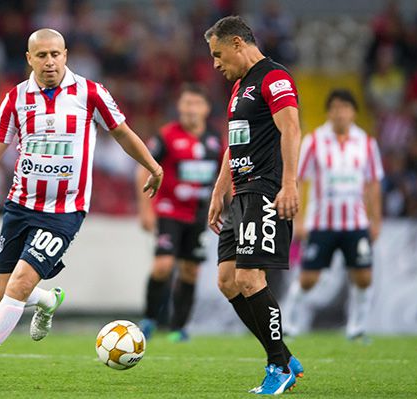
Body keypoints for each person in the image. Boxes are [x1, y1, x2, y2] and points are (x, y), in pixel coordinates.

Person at [0, 29, 163, 383]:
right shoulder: (16, 98)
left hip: (64, 211)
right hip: (20, 205)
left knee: (16, 287)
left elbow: (122, 132)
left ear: (66, 55)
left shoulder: (90, 93)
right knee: (2, 292)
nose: (50, 62)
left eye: (56, 54)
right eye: (42, 55)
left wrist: (152, 166)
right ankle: (47, 301)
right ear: (29, 58)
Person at [204, 16, 303, 395]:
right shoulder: (240, 88)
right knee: (228, 281)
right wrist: (219, 190)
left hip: (265, 189)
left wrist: (289, 183)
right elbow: (235, 142)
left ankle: (277, 367)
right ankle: (285, 357)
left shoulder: (273, 78)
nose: (215, 63)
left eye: (217, 54)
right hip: (240, 192)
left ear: (237, 44)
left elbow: (291, 128)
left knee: (249, 278)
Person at [283, 89, 384, 341]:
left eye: (345, 108)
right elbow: (299, 180)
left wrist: (376, 220)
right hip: (321, 223)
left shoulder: (367, 143)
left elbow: (373, 184)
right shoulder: (314, 141)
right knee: (308, 278)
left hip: (355, 223)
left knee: (363, 276)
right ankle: (289, 321)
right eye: (335, 108)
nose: (340, 113)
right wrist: (299, 219)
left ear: (354, 112)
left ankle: (357, 328)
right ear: (329, 112)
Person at [137, 83, 223, 342]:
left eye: (196, 104)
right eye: (186, 104)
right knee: (163, 266)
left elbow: (222, 175)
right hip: (169, 211)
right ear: (179, 107)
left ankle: (179, 327)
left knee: (190, 270)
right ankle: (150, 319)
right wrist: (145, 210)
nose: (190, 109)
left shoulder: (214, 139)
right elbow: (144, 169)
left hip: (198, 214)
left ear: (206, 109)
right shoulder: (167, 136)